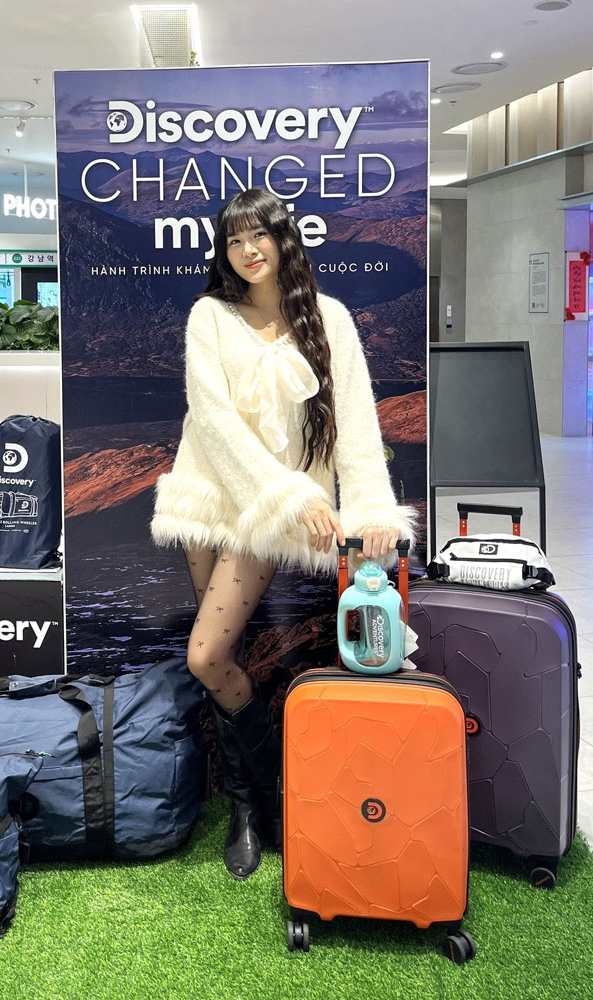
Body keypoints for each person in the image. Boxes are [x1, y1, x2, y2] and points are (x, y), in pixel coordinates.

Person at [151, 188, 416, 880]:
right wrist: (287, 493)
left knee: (206, 655)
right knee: (225, 655)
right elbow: (212, 419)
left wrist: (369, 511)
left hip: (268, 516)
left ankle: (259, 794)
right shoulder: (210, 315)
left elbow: (355, 425)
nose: (247, 250)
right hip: (212, 497)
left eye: (258, 235)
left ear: (283, 238)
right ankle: (253, 802)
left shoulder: (329, 319)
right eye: (234, 240)